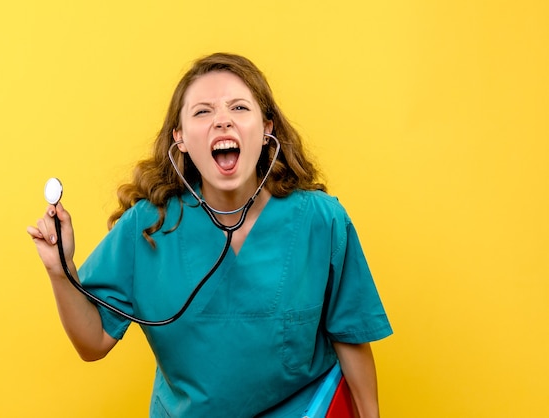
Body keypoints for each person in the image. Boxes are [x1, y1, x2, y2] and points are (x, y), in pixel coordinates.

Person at [27, 53, 392, 417]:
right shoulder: (147, 226)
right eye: (203, 112)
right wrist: (60, 270)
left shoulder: (320, 220)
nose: (222, 121)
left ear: (267, 130)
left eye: (239, 108)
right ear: (180, 139)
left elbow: (351, 337)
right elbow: (93, 343)